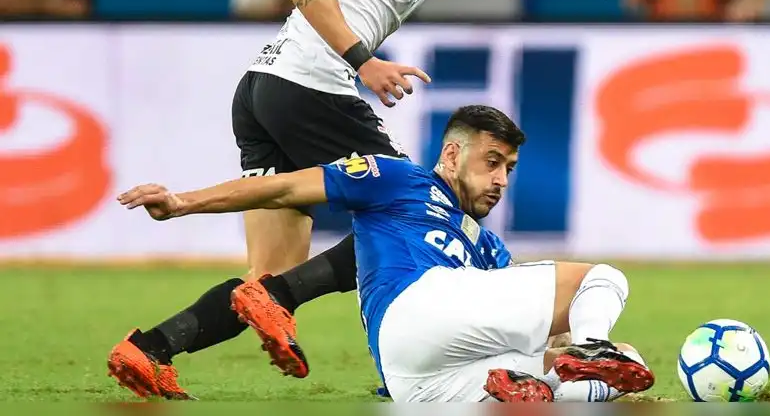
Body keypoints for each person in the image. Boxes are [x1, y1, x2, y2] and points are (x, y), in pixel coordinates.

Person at [106, 0, 677, 401]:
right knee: (413, 208)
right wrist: (365, 61)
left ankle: (151, 348)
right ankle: (416, 371)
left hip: (264, 90)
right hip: (311, 85)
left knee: (266, 279)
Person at [113, 105, 654, 403]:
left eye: (509, 169)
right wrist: (185, 201)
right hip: (418, 305)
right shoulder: (398, 179)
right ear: (451, 154)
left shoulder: (489, 248)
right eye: (492, 162)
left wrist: (567, 347)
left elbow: (538, 328)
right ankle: (593, 347)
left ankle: (515, 389)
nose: (500, 180)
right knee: (601, 279)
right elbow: (282, 189)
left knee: (589, 389)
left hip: (411, 378)